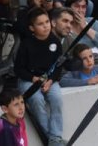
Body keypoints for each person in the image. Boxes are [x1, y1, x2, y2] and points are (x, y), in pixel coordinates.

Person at [14, 10, 65, 146]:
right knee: (36, 100)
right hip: (29, 80)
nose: (45, 26)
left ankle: (55, 136)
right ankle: (50, 137)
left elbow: (59, 65)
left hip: (49, 79)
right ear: (32, 28)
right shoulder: (26, 44)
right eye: (40, 24)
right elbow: (18, 69)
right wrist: (33, 78)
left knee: (57, 99)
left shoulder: (55, 41)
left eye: (47, 22)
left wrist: (51, 80)